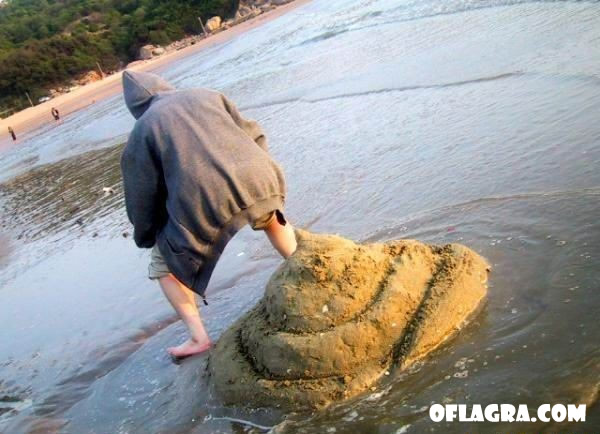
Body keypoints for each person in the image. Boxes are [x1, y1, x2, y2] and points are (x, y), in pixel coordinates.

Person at [120, 71, 297, 359]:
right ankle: (303, 266)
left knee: (162, 266)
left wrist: (145, 235)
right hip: (257, 173)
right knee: (270, 216)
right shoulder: (207, 95)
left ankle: (198, 337)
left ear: (136, 107)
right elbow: (254, 133)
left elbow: (142, 194)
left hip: (207, 196)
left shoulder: (143, 129)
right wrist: (262, 170)